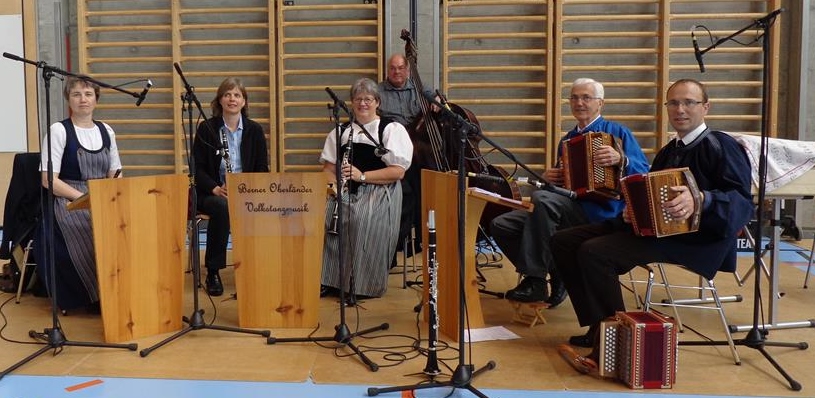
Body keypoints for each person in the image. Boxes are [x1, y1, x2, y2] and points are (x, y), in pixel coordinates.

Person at [550, 78, 753, 368]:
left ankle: (616, 346)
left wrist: (701, 199)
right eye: (673, 102)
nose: (680, 109)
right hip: (659, 233)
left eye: (689, 102)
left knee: (595, 252)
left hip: (696, 239)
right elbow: (645, 195)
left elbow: (743, 201)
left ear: (705, 107)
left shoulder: (721, 145)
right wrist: (631, 211)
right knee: (564, 241)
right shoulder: (669, 151)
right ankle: (599, 326)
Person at [490, 78, 649, 307]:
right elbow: (562, 186)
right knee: (502, 225)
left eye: (586, 97)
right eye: (574, 97)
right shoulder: (567, 140)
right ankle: (557, 274)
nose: (579, 102)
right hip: (568, 208)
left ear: (600, 104)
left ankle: (534, 280)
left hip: (602, 213)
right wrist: (549, 179)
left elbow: (643, 173)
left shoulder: (617, 132)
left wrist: (621, 159)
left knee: (542, 200)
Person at [319, 77, 413, 301]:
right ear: (352, 102)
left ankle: (360, 284)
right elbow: (328, 168)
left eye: (368, 99)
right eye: (358, 99)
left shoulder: (391, 129)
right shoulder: (340, 131)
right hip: (344, 190)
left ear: (377, 102)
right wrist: (334, 187)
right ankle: (329, 280)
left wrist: (362, 176)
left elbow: (397, 172)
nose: (363, 104)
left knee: (360, 218)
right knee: (323, 218)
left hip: (381, 191)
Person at [35, 76, 123, 313]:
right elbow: (48, 179)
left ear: (96, 99)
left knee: (124, 226)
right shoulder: (58, 130)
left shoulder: (107, 131)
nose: (82, 99)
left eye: (88, 94)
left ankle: (120, 289)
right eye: (76, 94)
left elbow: (115, 172)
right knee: (85, 227)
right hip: (67, 199)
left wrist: (109, 196)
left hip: (101, 196)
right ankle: (92, 296)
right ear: (68, 100)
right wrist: (84, 199)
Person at [193, 77, 270, 297]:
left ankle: (255, 268)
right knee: (221, 207)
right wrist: (216, 188)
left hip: (247, 191)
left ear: (244, 101)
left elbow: (261, 167)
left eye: (237, 95)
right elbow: (197, 168)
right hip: (214, 193)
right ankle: (214, 271)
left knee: (269, 209)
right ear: (220, 99)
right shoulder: (207, 129)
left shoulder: (254, 130)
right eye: (227, 94)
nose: (232, 99)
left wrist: (248, 189)